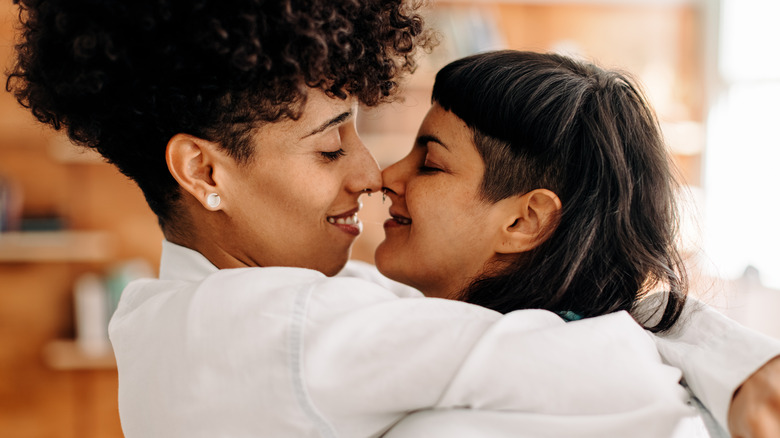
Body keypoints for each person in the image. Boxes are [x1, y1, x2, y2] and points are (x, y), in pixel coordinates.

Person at [6, 1, 780, 437]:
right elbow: (612, 368)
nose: (373, 174)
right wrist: (730, 361)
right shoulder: (291, 325)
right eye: (327, 147)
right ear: (206, 171)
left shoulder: (169, 318)